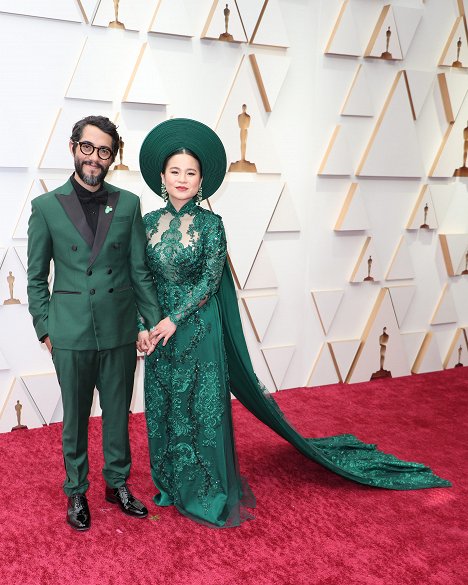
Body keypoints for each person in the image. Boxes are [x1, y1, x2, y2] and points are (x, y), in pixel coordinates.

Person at [138, 118, 450, 529]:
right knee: (165, 405)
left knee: (199, 408)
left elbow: (211, 280)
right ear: (162, 176)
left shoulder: (212, 226)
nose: (182, 179)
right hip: (158, 333)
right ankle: (172, 484)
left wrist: (175, 319)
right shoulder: (144, 225)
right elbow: (139, 279)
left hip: (196, 329)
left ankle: (206, 489)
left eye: (190, 173)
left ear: (201, 181)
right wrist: (146, 326)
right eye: (174, 171)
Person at [27, 115, 167, 531]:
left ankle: (117, 484)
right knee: (74, 416)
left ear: (113, 157)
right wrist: (46, 329)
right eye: (87, 147)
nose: (94, 157)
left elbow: (138, 270)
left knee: (118, 413)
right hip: (69, 332)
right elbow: (35, 277)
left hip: (119, 327)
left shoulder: (127, 203)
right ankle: (76, 490)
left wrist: (152, 322)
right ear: (73, 147)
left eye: (104, 150)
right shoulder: (46, 207)